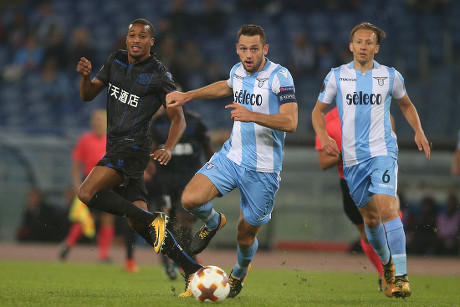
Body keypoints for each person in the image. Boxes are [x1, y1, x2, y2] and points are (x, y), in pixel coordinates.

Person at [166, 24, 298, 298]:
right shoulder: (238, 70)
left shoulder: (280, 76)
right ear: (237, 49)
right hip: (232, 156)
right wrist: (188, 95)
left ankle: (239, 271)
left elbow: (291, 121)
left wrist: (252, 115)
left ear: (265, 49)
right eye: (243, 49)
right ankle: (214, 222)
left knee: (246, 234)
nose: (248, 55)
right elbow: (225, 87)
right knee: (190, 199)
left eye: (254, 49)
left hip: (263, 170)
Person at [74, 18, 202, 295]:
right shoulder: (115, 60)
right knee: (138, 221)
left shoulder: (159, 74)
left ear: (150, 42)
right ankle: (192, 269)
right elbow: (88, 96)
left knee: (85, 192)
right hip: (116, 146)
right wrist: (85, 77)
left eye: (142, 36)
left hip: (133, 148)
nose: (135, 39)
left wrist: (168, 146)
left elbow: (178, 119)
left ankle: (153, 219)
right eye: (131, 34)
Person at [312, 22, 431, 299]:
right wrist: (323, 136)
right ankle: (387, 265)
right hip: (352, 161)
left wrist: (418, 131)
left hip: (382, 152)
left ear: (376, 48)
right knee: (370, 221)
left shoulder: (390, 76)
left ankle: (401, 276)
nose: (363, 46)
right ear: (351, 46)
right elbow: (318, 112)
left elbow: (406, 104)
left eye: (369, 43)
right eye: (359, 42)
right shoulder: (336, 76)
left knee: (388, 208)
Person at [315, 106, 383, 290]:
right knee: (367, 234)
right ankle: (384, 274)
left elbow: (389, 121)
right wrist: (345, 153)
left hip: (376, 175)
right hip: (349, 183)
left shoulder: (370, 107)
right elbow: (323, 162)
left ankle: (396, 272)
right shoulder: (328, 120)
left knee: (389, 219)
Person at [145, 107, 214, 280]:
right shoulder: (158, 123)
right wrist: (148, 164)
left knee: (185, 219)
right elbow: (151, 147)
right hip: (164, 178)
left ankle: (184, 259)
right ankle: (169, 260)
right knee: (165, 218)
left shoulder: (195, 122)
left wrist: (215, 169)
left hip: (189, 178)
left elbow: (207, 148)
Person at [59, 109, 118, 264]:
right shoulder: (85, 140)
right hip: (89, 182)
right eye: (96, 119)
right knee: (85, 217)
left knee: (107, 217)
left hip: (107, 182)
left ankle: (103, 255)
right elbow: (76, 164)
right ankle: (68, 244)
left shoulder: (112, 139)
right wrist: (76, 185)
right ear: (92, 122)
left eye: (100, 119)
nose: (98, 122)